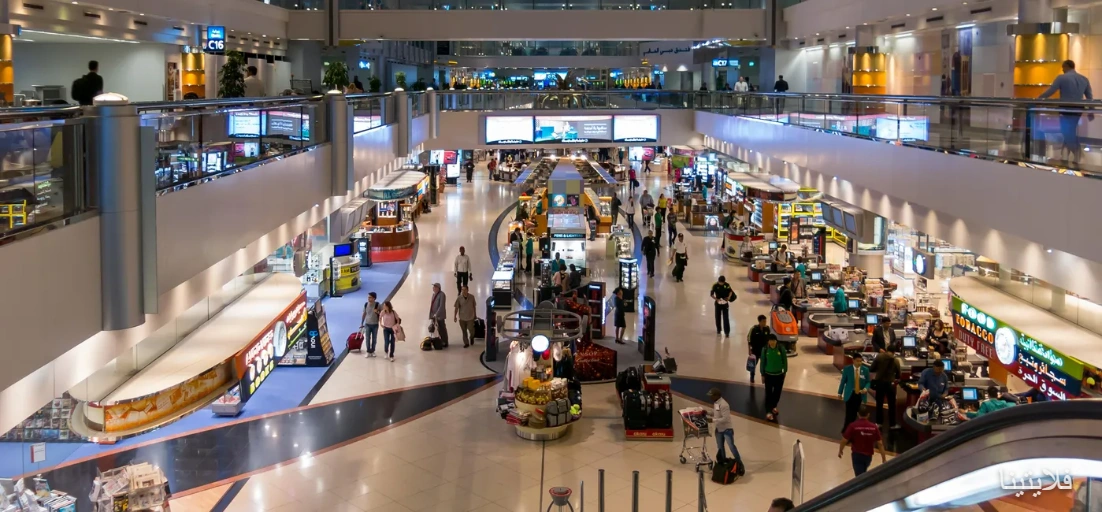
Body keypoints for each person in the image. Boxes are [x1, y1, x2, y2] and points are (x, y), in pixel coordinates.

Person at [1039, 60, 1093, 163]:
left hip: (1065, 109)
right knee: (1070, 131)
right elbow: (1089, 97)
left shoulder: (1062, 78)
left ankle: (1077, 154)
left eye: (1063, 67)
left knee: (1067, 132)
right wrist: (1091, 111)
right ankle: (1066, 156)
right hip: (1078, 110)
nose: (1062, 69)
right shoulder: (1084, 79)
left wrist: (1038, 99)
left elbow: (1051, 91)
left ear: (1066, 66)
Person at [838, 406, 887, 477]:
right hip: (868, 456)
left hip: (857, 455)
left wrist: (840, 450)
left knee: (859, 476)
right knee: (863, 472)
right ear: (868, 415)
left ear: (858, 414)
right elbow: (880, 443)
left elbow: (844, 440)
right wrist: (883, 458)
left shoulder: (853, 426)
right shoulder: (874, 427)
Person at [705, 388, 745, 474]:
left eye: (711, 396)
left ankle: (739, 464)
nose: (710, 397)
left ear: (717, 396)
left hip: (727, 430)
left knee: (731, 447)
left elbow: (725, 418)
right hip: (719, 429)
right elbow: (716, 413)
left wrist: (713, 420)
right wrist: (707, 412)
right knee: (720, 447)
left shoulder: (724, 405)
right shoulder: (716, 403)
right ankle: (722, 462)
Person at [870, 346, 901, 429]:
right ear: (894, 352)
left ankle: (879, 423)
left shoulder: (879, 356)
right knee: (892, 404)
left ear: (887, 350)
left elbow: (872, 368)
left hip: (879, 383)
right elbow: (898, 374)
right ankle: (892, 424)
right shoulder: (895, 360)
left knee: (879, 403)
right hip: (890, 384)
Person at [838, 355, 871, 433]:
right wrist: (840, 392)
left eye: (860, 361)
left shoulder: (865, 370)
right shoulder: (847, 369)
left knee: (858, 414)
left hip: (860, 394)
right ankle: (846, 431)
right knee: (849, 414)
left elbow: (868, 382)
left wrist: (866, 388)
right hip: (850, 394)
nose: (859, 363)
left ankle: (855, 430)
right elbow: (843, 381)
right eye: (857, 361)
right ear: (853, 360)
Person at [759, 334, 788, 421]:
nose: (772, 343)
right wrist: (762, 374)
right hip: (768, 375)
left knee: (777, 393)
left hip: (779, 375)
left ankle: (774, 406)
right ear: (768, 341)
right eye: (770, 341)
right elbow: (762, 362)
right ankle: (768, 411)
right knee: (768, 394)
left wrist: (785, 371)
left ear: (776, 341)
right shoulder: (765, 349)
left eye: (773, 341)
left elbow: (785, 360)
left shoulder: (780, 348)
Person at [747, 315, 770, 384]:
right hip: (755, 351)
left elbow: (769, 340)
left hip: (764, 351)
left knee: (764, 365)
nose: (765, 323)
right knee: (753, 365)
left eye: (765, 321)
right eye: (763, 321)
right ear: (759, 322)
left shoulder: (767, 329)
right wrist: (749, 349)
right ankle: (752, 377)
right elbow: (749, 339)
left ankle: (764, 377)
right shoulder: (753, 329)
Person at [360, 292, 381, 358]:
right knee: (367, 338)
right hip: (367, 324)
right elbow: (364, 313)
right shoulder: (366, 304)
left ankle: (373, 351)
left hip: (375, 324)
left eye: (370, 297)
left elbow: (382, 313)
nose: (368, 298)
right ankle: (368, 351)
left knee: (374, 339)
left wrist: (377, 312)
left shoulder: (377, 305)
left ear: (374, 298)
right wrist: (362, 323)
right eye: (368, 297)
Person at [429, 283, 449, 347]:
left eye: (435, 287)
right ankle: (440, 340)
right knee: (437, 329)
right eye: (433, 287)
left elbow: (441, 306)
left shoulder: (442, 295)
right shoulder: (433, 294)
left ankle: (445, 341)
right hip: (434, 315)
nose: (433, 288)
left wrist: (436, 314)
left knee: (442, 328)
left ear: (438, 288)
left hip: (439, 315)